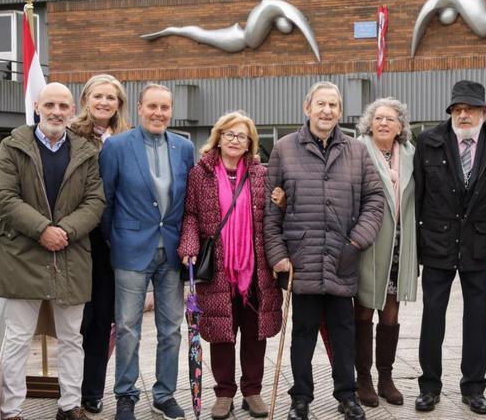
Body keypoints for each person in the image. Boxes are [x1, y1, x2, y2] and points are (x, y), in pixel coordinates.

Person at [264, 81, 384, 420]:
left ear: (340, 112)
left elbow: (375, 199)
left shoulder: (357, 151)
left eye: (333, 105)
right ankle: (300, 397)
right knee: (302, 335)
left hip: (342, 256)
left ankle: (347, 395)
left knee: (344, 332)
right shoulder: (285, 148)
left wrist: (357, 241)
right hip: (300, 260)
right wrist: (277, 255)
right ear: (307, 108)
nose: (327, 110)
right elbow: (270, 209)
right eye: (321, 104)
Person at [0, 82, 105, 420]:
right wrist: (42, 229)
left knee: (71, 337)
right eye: (50, 105)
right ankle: (11, 410)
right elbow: (3, 197)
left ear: (73, 111)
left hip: (70, 254)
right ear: (38, 107)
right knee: (18, 338)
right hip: (22, 254)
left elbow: (95, 201)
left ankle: (69, 405)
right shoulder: (12, 147)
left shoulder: (86, 151)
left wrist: (64, 231)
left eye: (63, 106)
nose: (57, 111)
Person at [413, 80, 486, 416]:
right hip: (437, 242)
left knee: (477, 319)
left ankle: (474, 388)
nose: (464, 114)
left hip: (480, 244)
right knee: (432, 318)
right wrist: (417, 244)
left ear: (484, 112)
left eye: (470, 109)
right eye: (458, 109)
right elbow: (418, 197)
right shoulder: (428, 141)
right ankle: (429, 386)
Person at [177, 112, 283, 419]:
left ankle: (252, 391)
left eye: (242, 136)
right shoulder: (201, 173)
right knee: (221, 331)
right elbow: (191, 215)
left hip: (256, 265)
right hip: (218, 266)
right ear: (218, 137)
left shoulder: (262, 173)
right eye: (229, 134)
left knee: (255, 332)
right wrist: (188, 246)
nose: (235, 141)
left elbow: (273, 217)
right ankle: (224, 393)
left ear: (250, 142)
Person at [99, 83, 196, 420]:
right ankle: (126, 395)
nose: (158, 113)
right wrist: (117, 237)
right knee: (127, 327)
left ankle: (164, 394)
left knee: (171, 329)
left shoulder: (184, 148)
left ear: (171, 111)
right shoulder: (116, 147)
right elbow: (106, 200)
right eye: (152, 106)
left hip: (171, 252)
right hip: (130, 249)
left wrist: (188, 242)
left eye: (164, 108)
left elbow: (189, 202)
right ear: (139, 108)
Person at [69, 74, 131, 415]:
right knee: (78, 319)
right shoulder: (70, 136)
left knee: (102, 320)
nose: (105, 103)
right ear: (86, 100)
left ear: (118, 104)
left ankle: (92, 390)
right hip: (81, 237)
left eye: (111, 98)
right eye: (99, 96)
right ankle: (70, 389)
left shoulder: (127, 139)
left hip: (114, 240)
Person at [352, 98, 417, 408]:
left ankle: (386, 376)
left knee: (391, 312)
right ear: (369, 122)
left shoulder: (410, 155)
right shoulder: (356, 151)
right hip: (369, 243)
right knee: (364, 308)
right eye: (378, 118)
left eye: (390, 119)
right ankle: (362, 378)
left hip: (400, 246)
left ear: (400, 126)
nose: (383, 123)